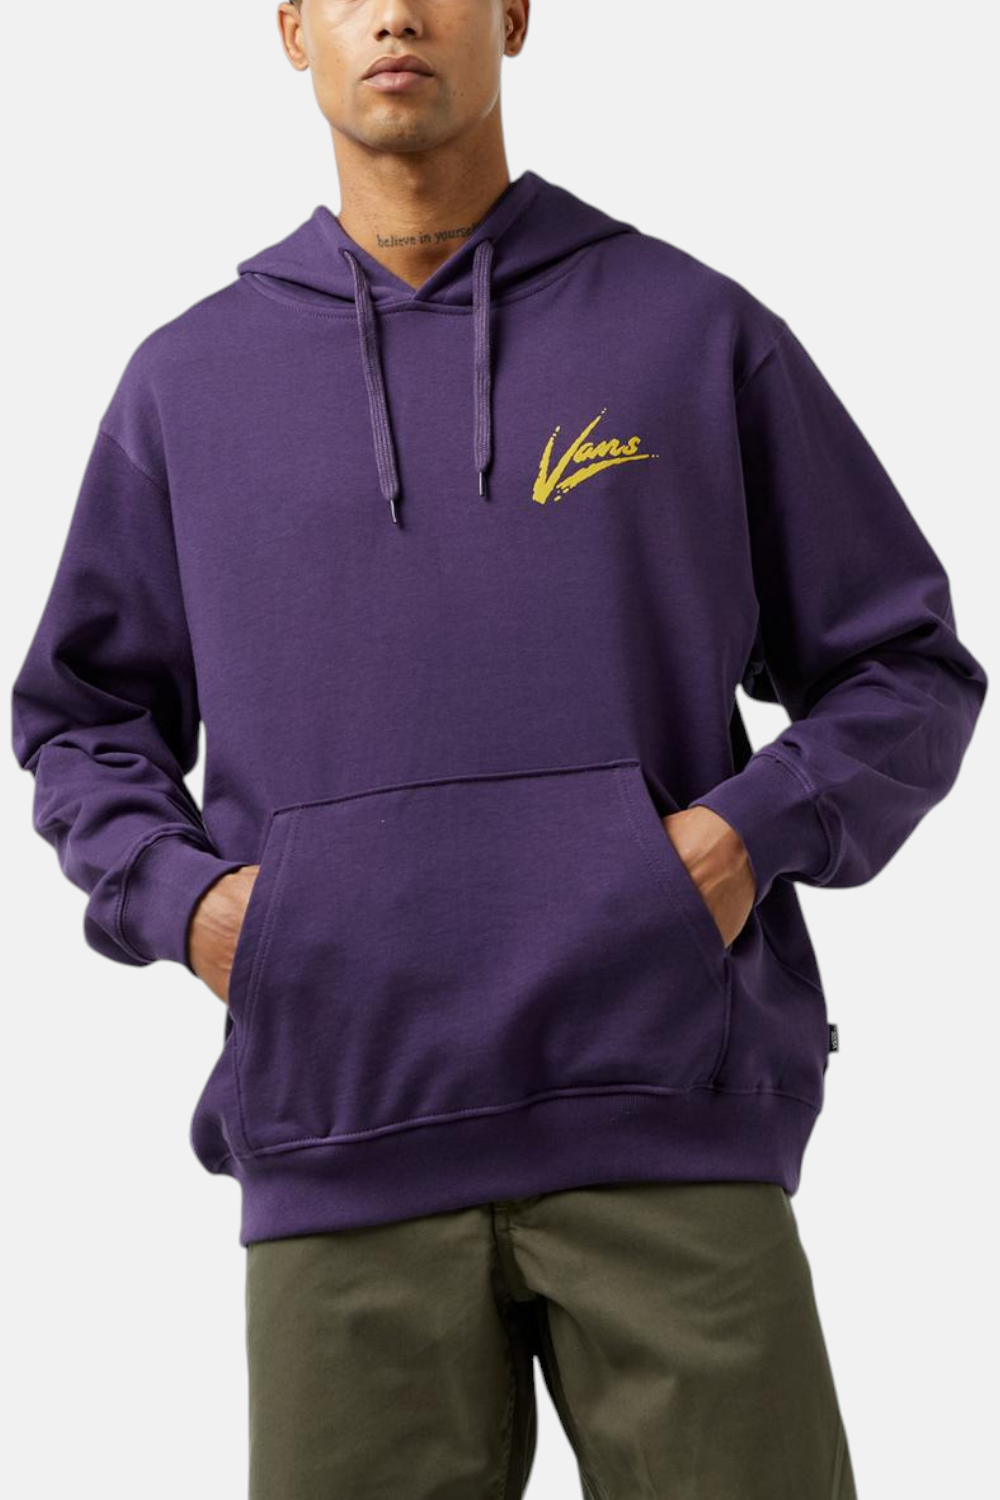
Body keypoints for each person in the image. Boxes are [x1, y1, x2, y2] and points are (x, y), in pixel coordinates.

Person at [10, 1, 988, 1495]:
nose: (397, 14)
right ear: (292, 30)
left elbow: (903, 665)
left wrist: (737, 843)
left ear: (514, 15)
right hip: (345, 1130)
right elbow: (82, 718)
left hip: (666, 1124)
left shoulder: (690, 332)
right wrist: (201, 909)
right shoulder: (186, 385)